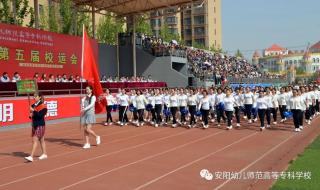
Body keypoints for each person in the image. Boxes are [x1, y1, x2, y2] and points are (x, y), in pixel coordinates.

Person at [24, 92, 48, 162]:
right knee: (41, 140)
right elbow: (32, 115)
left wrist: (33, 111)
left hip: (40, 125)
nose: (34, 97)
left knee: (35, 140)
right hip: (34, 124)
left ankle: (31, 156)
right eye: (33, 96)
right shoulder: (33, 105)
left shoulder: (43, 106)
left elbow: (40, 115)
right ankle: (44, 154)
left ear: (39, 97)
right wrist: (30, 114)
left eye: (35, 96)